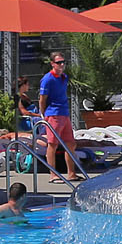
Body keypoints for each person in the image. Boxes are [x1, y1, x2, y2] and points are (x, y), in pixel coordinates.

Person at [39, 51, 87, 181]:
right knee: (53, 145)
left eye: (63, 62)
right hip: (53, 115)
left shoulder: (64, 77)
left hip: (64, 114)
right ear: (52, 64)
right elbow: (42, 99)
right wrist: (44, 115)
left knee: (70, 144)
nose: (61, 65)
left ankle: (71, 173)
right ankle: (53, 174)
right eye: (58, 62)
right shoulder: (48, 79)